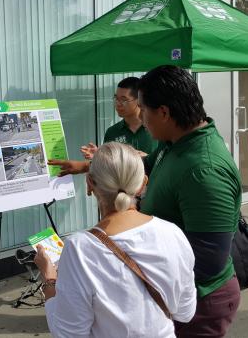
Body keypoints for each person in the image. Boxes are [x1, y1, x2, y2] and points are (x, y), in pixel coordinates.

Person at [48, 65, 242, 338]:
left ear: (163, 112)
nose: (141, 116)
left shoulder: (204, 170)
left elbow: (209, 260)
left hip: (201, 302)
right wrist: (87, 167)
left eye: (143, 109)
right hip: (166, 291)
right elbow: (142, 167)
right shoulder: (174, 141)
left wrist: (131, 270)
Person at [35, 142, 196, 338]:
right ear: (143, 184)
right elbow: (185, 313)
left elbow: (68, 333)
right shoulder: (173, 233)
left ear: (89, 183)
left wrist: (49, 279)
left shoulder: (80, 248)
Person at [81, 77, 157, 159]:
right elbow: (109, 164)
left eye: (123, 100)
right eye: (116, 99)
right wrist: (99, 156)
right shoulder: (112, 132)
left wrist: (147, 158)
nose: (118, 104)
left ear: (138, 100)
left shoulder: (156, 128)